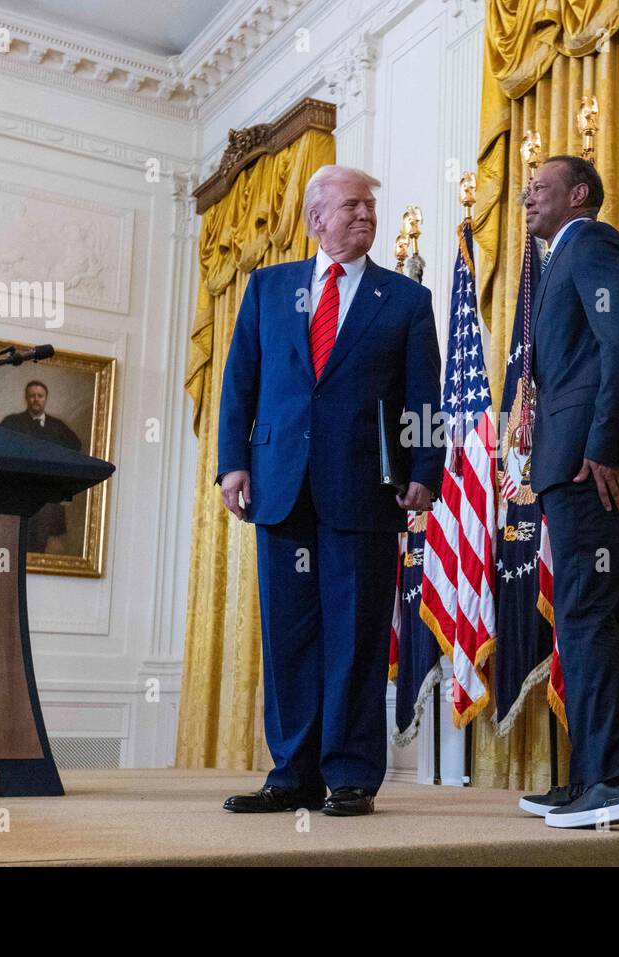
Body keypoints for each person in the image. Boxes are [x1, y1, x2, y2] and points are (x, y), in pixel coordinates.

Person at [216, 164, 443, 817]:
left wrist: (426, 469)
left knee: (356, 637)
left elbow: (423, 395)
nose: (365, 217)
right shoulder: (268, 288)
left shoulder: (403, 301)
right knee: (290, 636)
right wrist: (235, 463)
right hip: (281, 489)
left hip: (364, 493)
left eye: (370, 207)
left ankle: (350, 773)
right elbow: (241, 384)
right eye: (352, 208)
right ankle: (292, 773)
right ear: (317, 219)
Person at [516, 155, 619, 828]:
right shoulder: (557, 263)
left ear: (580, 194)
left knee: (587, 618)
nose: (525, 198)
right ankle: (587, 777)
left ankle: (613, 779)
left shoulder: (594, 242)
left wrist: (603, 445)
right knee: (577, 619)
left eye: (539, 188)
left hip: (586, 467)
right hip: (564, 466)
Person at [0, 380, 81, 553]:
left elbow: (75, 446)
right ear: (26, 398)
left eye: (40, 396)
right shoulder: (12, 422)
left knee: (41, 539)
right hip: (19, 492)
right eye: (32, 396)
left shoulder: (57, 426)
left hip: (47, 494)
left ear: (45, 399)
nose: (36, 399)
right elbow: (0, 447)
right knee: (15, 538)